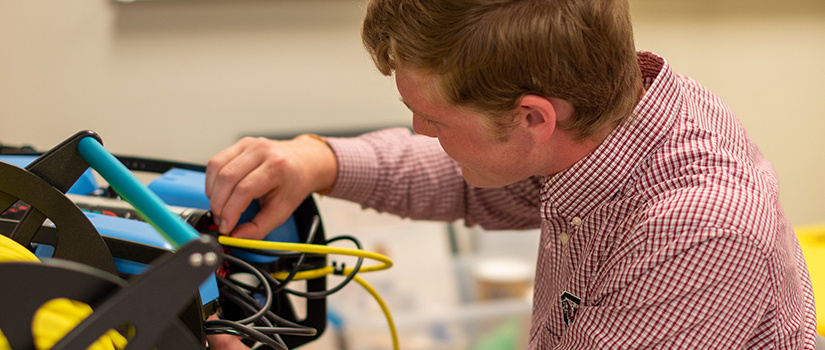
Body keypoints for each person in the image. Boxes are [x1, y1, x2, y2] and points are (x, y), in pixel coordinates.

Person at [205, 0, 817, 348]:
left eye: (431, 117)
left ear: (533, 117)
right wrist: (321, 161)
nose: (421, 131)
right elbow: (469, 172)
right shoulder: (608, 114)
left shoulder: (697, 236)